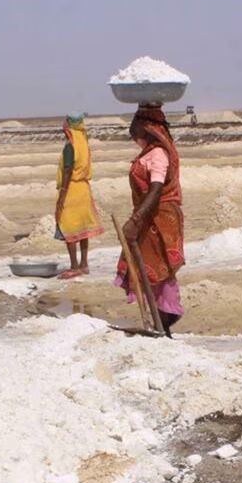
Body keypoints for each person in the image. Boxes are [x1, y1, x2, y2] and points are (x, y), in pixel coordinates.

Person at [116, 106, 185, 334]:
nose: (132, 129)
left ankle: (164, 322)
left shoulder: (158, 154)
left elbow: (155, 190)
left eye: (136, 123)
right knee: (146, 268)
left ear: (146, 127)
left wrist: (136, 220)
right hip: (148, 217)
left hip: (158, 220)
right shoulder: (148, 152)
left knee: (158, 269)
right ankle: (158, 324)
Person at [54, 113, 104, 279]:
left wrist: (62, 195)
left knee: (69, 227)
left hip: (72, 191)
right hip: (84, 189)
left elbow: (68, 170)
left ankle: (74, 267)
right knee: (82, 229)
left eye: (65, 122)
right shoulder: (83, 142)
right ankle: (84, 264)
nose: (63, 125)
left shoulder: (70, 145)